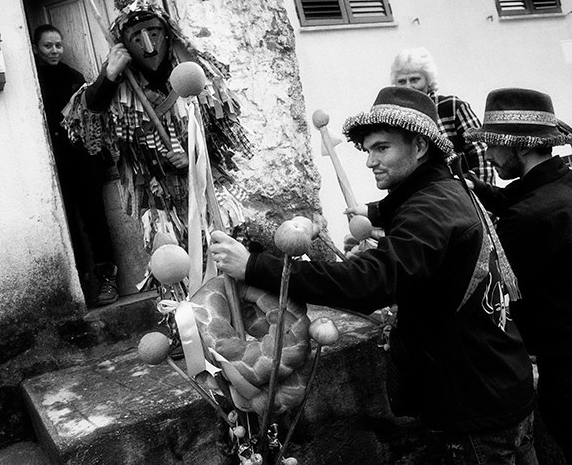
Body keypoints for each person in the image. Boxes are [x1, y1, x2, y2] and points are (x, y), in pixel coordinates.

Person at [210, 86, 538, 463]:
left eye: (382, 148)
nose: (369, 161)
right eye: (368, 150)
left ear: (419, 147)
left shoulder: (431, 208)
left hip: (476, 406)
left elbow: (368, 282)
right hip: (498, 390)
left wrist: (254, 266)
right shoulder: (443, 190)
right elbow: (403, 214)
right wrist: (366, 216)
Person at [62, 0, 252, 248]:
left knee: (224, 249)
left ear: (167, 34)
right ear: (124, 46)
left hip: (205, 186)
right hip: (159, 196)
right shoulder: (118, 90)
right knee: (176, 267)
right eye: (137, 39)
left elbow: (219, 137)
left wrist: (193, 158)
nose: (149, 47)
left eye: (154, 34)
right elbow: (84, 124)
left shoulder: (196, 76)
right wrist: (109, 75)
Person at [466, 88, 572, 463]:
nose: (489, 154)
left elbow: (485, 283)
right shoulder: (563, 182)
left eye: (494, 145)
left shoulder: (528, 218)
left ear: (521, 146)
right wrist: (480, 191)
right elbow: (523, 199)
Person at [33, 24, 118, 307]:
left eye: (58, 44)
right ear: (35, 48)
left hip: (83, 160)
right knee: (67, 225)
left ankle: (108, 279)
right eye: (48, 46)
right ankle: (80, 283)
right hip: (53, 168)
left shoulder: (73, 77)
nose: (55, 50)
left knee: (96, 219)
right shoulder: (31, 80)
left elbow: (90, 115)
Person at [391, 47, 495, 184]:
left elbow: (480, 152)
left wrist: (481, 192)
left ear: (429, 81)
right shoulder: (394, 120)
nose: (408, 87)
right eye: (402, 81)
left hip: (461, 193)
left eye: (415, 79)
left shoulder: (452, 107)